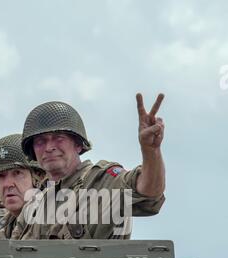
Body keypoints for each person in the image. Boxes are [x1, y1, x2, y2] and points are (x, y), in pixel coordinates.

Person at [13, 95, 165, 240]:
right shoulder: (33, 207)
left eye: (59, 138)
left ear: (78, 145)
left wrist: (151, 151)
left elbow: (148, 191)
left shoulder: (101, 180)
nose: (49, 147)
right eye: (40, 142)